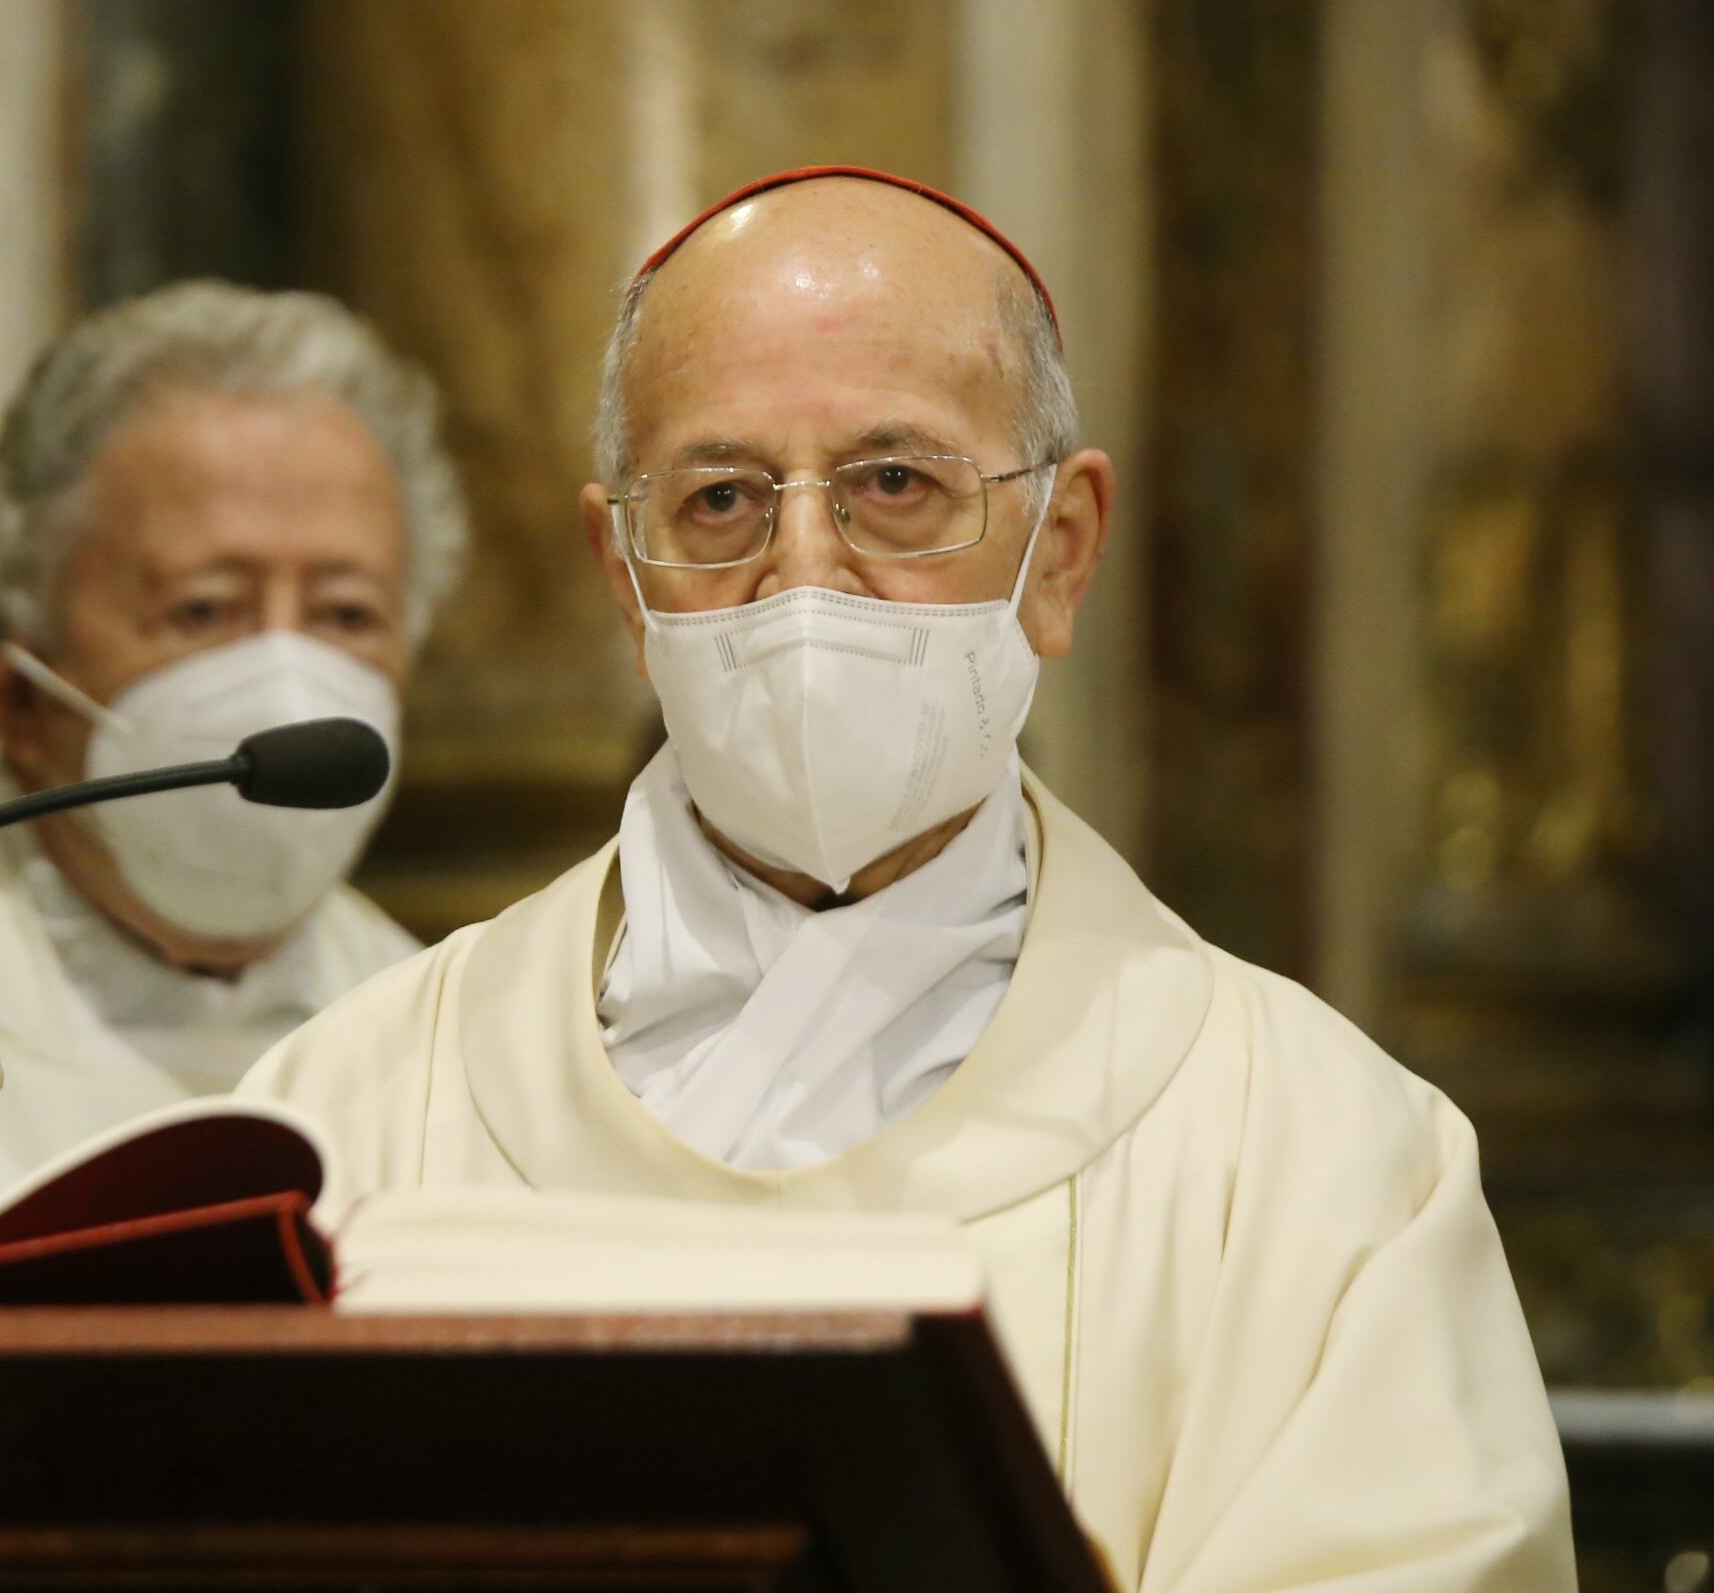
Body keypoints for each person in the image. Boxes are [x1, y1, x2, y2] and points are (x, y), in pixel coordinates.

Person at [244, 168, 1574, 1591]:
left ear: (1058, 553)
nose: (803, 576)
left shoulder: (1324, 1164)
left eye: (895, 486)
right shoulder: (339, 1126)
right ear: (623, 576)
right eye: (719, 499)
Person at [0, 281, 467, 1208]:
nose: (287, 680)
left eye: (346, 612)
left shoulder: (460, 1052)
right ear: (18, 701)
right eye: (204, 608)